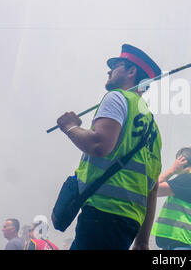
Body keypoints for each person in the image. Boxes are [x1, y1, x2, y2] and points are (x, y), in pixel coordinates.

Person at [56, 44, 163, 250]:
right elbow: (153, 186)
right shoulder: (153, 128)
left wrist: (70, 127)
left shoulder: (117, 97)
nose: (109, 70)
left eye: (117, 66)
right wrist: (142, 241)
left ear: (131, 72)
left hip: (102, 214)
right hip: (128, 224)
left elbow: (99, 145)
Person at [152, 147, 191, 250]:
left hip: (182, 243)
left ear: (182, 161)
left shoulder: (188, 179)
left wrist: (171, 170)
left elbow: (152, 189)